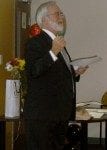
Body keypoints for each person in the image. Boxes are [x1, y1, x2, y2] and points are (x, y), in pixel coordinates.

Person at [23, 1, 88, 150]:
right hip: (42, 115)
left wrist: (75, 72)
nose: (61, 17)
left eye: (61, 14)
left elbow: (57, 74)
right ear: (44, 19)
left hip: (59, 114)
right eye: (57, 14)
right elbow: (34, 71)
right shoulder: (35, 43)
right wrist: (53, 52)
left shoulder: (58, 43)